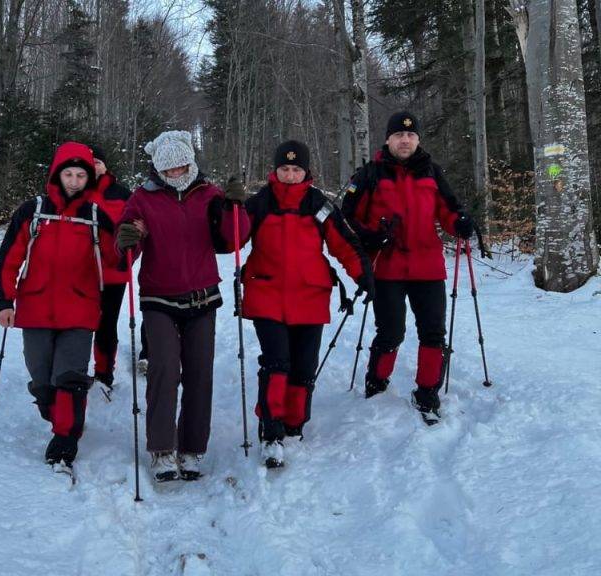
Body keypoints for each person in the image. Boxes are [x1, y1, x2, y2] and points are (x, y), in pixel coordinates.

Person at [115, 130, 250, 482]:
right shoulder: (143, 198)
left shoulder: (209, 194)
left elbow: (231, 240)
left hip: (202, 296)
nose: (176, 173)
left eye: (181, 166)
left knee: (199, 372)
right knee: (164, 369)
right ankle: (162, 448)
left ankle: (192, 448)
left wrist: (236, 208)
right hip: (158, 297)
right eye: (168, 168)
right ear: (158, 168)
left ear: (191, 162)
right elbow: (126, 244)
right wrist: (128, 239)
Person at [238, 140, 374, 468]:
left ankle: (294, 424)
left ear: (306, 172)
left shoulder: (319, 204)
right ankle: (270, 431)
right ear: (275, 170)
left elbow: (343, 243)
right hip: (266, 294)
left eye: (296, 169)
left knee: (302, 366)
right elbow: (232, 239)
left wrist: (363, 275)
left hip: (310, 297)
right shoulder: (259, 203)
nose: (289, 174)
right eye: (284, 169)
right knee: (276, 362)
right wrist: (229, 209)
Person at [341, 111, 475, 425]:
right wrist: (371, 236)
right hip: (387, 268)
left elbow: (449, 211)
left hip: (427, 266)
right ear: (388, 139)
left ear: (417, 140)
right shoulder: (370, 174)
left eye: (411, 135)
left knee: (433, 332)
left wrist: (461, 224)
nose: (405, 140)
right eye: (399, 135)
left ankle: (427, 392)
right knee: (391, 331)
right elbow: (347, 217)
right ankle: (377, 379)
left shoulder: (431, 172)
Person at [0, 142, 118, 470]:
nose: (74, 181)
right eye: (69, 174)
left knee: (70, 377)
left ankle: (65, 439)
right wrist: (4, 302)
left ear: (88, 178)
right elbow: (8, 260)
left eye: (81, 175)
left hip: (79, 309)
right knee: (43, 381)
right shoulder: (32, 211)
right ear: (57, 174)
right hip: (35, 309)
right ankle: (56, 410)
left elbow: (116, 260)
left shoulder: (95, 217)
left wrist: (129, 242)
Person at [86, 146, 132, 394]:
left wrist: (127, 258)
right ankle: (73, 372)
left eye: (98, 162)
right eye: (89, 162)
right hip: (81, 272)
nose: (94, 166)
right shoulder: (77, 190)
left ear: (105, 166)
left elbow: (135, 231)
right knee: (80, 322)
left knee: (106, 323)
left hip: (113, 272)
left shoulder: (122, 193)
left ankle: (104, 373)